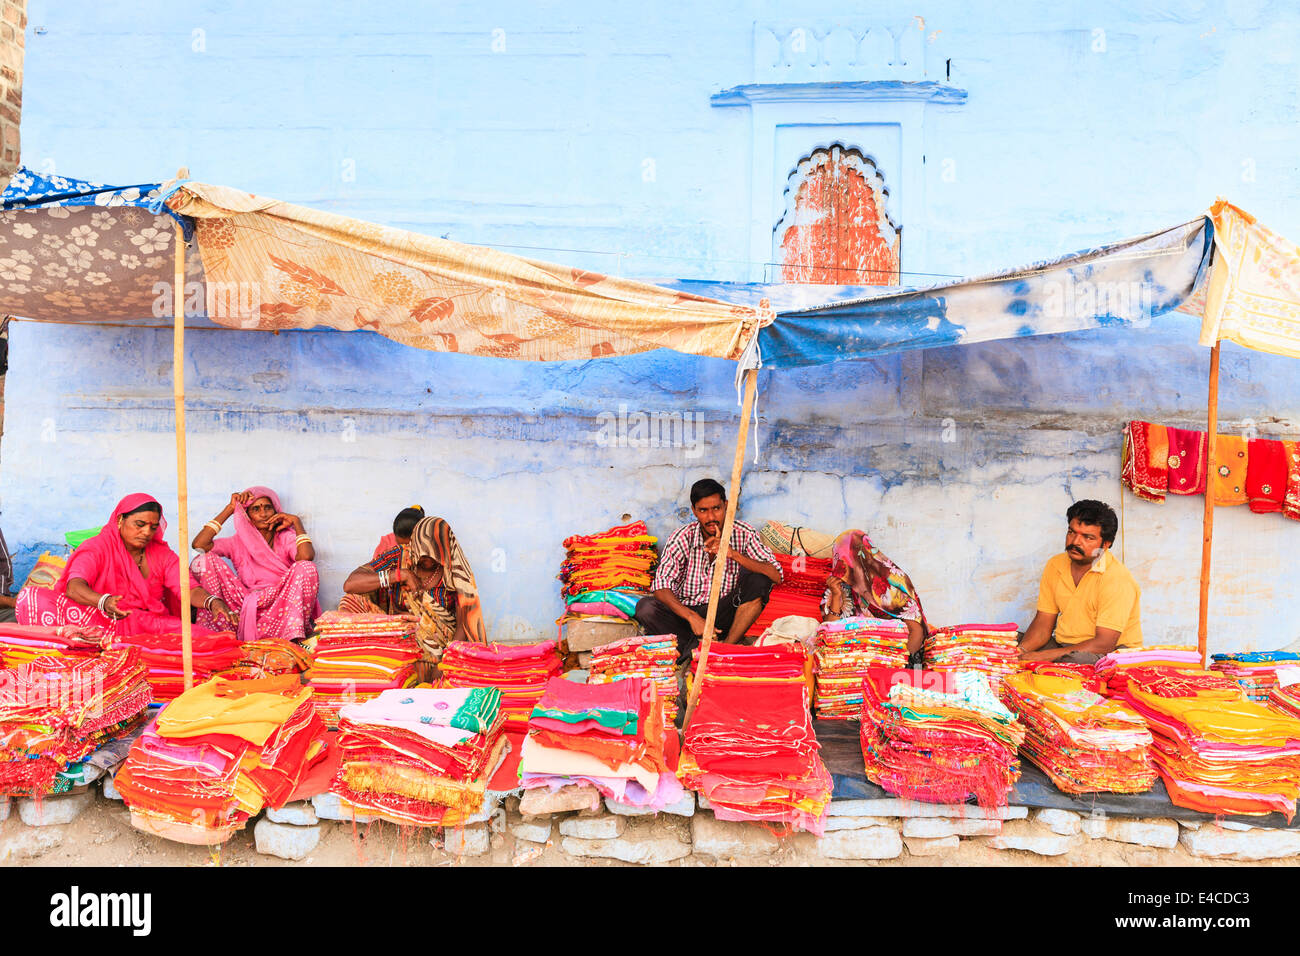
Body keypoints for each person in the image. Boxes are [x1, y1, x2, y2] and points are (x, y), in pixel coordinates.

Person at [15, 493, 234, 635]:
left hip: (145, 623)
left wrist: (212, 601)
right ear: (120, 521)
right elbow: (74, 587)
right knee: (32, 597)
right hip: (101, 619)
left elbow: (187, 588)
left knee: (205, 638)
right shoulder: (98, 547)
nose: (146, 532)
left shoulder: (162, 554)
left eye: (152, 526)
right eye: (139, 524)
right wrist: (104, 601)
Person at [633, 478, 782, 660]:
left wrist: (733, 554)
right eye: (703, 510)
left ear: (726, 505)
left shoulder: (744, 533)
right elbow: (661, 586)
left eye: (716, 509)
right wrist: (692, 617)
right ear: (694, 511)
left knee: (759, 581)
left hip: (723, 614)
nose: (711, 518)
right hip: (686, 615)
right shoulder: (682, 537)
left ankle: (725, 647)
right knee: (645, 608)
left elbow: (776, 575)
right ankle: (696, 647)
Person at [1019, 499, 1143, 665]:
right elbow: (1043, 624)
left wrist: (1042, 656)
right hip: (1064, 646)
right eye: (1072, 532)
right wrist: (1021, 651)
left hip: (1111, 652)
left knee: (1073, 660)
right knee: (1013, 641)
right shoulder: (1055, 565)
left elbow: (1104, 643)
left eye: (1088, 537)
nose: (1075, 542)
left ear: (1106, 544)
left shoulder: (1117, 579)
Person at [190, 486, 319, 642]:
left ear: (276, 510)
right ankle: (220, 633)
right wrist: (230, 509)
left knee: (306, 567)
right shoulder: (237, 541)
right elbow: (199, 546)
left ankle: (291, 635)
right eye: (256, 509)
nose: (263, 514)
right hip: (243, 606)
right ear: (247, 516)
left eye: (268, 508)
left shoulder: (285, 537)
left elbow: (306, 556)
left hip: (281, 605)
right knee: (203, 560)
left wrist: (297, 523)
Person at [822, 529, 929, 657]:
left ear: (862, 557)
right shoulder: (839, 585)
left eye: (847, 559)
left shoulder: (893, 580)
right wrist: (836, 595)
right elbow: (831, 631)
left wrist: (899, 663)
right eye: (839, 558)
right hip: (855, 658)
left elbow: (916, 630)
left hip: (897, 655)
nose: (842, 566)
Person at [401, 515, 487, 659]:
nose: (428, 557)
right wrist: (399, 576)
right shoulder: (402, 561)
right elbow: (350, 585)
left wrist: (445, 662)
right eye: (423, 552)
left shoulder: (457, 575)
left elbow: (463, 627)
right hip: (406, 651)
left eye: (433, 552)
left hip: (444, 652)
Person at [339, 506, 426, 615]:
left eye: (411, 546)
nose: (406, 551)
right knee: (351, 599)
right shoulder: (396, 554)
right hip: (396, 622)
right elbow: (350, 585)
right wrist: (399, 575)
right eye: (402, 546)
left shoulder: (443, 561)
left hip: (432, 626)